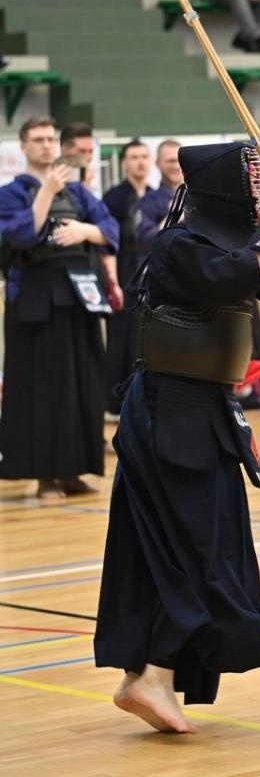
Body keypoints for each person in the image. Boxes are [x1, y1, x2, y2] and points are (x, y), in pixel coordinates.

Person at [94, 143, 260, 733]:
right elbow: (237, 276)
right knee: (193, 546)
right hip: (170, 410)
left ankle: (146, 674)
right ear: (222, 187)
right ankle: (154, 675)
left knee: (191, 544)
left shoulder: (231, 246)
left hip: (202, 409)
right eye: (249, 183)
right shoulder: (179, 247)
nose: (258, 193)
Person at [0, 117, 119, 501]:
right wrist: (46, 192)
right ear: (23, 146)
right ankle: (44, 476)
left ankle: (73, 470)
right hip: (35, 301)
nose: (47, 145)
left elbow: (110, 230)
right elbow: (20, 233)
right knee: (41, 388)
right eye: (38, 140)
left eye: (51, 138)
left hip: (80, 297)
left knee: (81, 383)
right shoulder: (12, 192)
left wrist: (84, 231)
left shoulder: (80, 194)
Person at [102, 139, 154, 415]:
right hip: (123, 271)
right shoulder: (114, 197)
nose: (140, 162)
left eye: (144, 156)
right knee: (121, 336)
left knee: (145, 336)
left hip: (150, 271)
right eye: (134, 157)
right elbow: (107, 241)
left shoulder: (156, 195)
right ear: (124, 162)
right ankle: (114, 399)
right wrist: (111, 281)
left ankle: (143, 396)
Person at [138, 139, 183, 248]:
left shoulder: (198, 196)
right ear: (157, 163)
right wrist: (174, 215)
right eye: (171, 161)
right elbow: (146, 240)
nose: (176, 166)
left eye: (180, 160)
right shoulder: (148, 201)